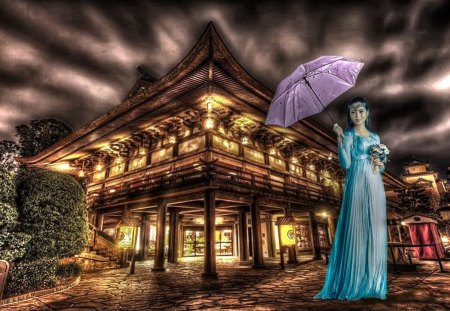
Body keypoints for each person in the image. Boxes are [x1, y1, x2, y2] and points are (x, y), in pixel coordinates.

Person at [313, 97, 388, 300]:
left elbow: (382, 168)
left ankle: (372, 281)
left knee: (374, 228)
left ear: (367, 112)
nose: (357, 115)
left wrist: (379, 163)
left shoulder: (375, 136)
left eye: (361, 111)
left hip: (374, 182)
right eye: (353, 112)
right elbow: (345, 163)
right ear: (349, 114)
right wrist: (339, 139)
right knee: (356, 226)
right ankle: (354, 281)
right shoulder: (347, 134)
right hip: (355, 178)